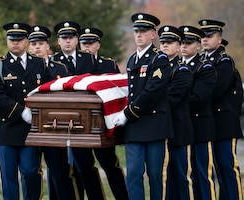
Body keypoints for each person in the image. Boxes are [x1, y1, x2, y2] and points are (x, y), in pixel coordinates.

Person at [0, 22, 51, 200]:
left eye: (19, 39)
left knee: (31, 173)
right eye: (11, 39)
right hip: (6, 130)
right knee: (8, 178)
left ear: (26, 41)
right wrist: (21, 112)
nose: (15, 42)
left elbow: (46, 91)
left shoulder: (39, 64)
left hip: (30, 131)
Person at [113, 13, 173, 200]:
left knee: (155, 177)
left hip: (154, 125)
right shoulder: (132, 60)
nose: (138, 35)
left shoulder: (160, 59)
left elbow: (151, 92)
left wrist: (128, 114)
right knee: (133, 175)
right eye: (136, 31)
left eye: (143, 31)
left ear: (153, 34)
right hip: (136, 129)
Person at [51, 20, 103, 200]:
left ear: (76, 39)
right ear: (58, 41)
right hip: (59, 119)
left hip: (83, 120)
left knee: (85, 164)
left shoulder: (88, 59)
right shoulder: (52, 62)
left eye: (71, 37)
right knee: (59, 167)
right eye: (63, 37)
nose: (67, 41)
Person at [78, 26, 129, 200]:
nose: (86, 46)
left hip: (103, 123)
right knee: (84, 167)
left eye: (90, 43)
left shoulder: (108, 64)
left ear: (98, 45)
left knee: (110, 165)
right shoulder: (74, 64)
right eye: (83, 43)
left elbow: (116, 92)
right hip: (80, 125)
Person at [28, 25, 76, 200]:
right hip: (30, 126)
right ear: (28, 46)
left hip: (55, 126)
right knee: (31, 172)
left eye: (41, 43)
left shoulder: (61, 68)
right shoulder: (25, 69)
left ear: (48, 46)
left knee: (59, 171)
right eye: (33, 44)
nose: (37, 47)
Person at [199, 19, 243, 200]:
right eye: (202, 36)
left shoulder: (224, 61)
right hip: (210, 124)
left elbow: (215, 89)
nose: (205, 39)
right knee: (216, 169)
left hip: (224, 124)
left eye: (209, 36)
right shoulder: (202, 61)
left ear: (219, 39)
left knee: (227, 167)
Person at [180, 25, 217, 200]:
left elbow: (198, 98)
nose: (184, 46)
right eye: (182, 42)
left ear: (198, 46)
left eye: (189, 42)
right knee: (185, 175)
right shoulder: (175, 67)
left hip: (200, 128)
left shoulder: (206, 68)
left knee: (202, 174)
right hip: (182, 128)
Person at [158, 25, 194, 200]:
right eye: (162, 41)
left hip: (179, 131)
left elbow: (171, 98)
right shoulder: (156, 68)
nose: (165, 45)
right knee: (167, 178)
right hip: (162, 129)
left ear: (179, 46)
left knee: (181, 177)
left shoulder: (182, 71)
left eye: (170, 42)